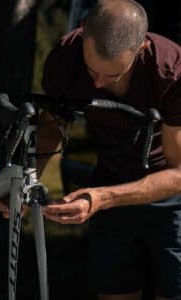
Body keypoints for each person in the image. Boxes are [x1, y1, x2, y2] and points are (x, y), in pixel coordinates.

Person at [39, 0, 181, 299]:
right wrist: (28, 183)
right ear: (83, 31)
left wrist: (102, 198)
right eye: (92, 71)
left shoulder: (171, 70)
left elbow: (179, 173)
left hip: (171, 197)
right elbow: (51, 126)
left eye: (113, 75)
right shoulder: (66, 58)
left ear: (141, 49)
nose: (99, 83)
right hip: (109, 179)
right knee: (115, 290)